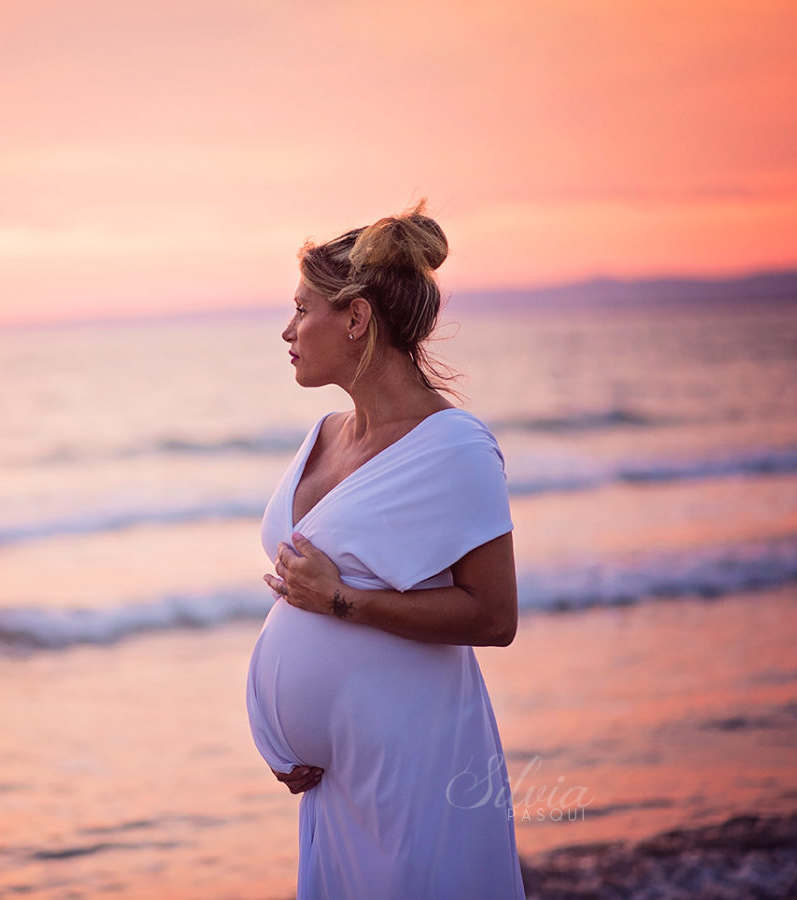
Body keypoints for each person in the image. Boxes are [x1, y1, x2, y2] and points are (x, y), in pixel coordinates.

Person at [246, 202, 526, 898]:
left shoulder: (454, 448)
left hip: (414, 761)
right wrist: (289, 737)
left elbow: (494, 617)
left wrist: (341, 601)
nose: (287, 329)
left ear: (356, 319)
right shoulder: (324, 432)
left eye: (302, 307)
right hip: (334, 785)